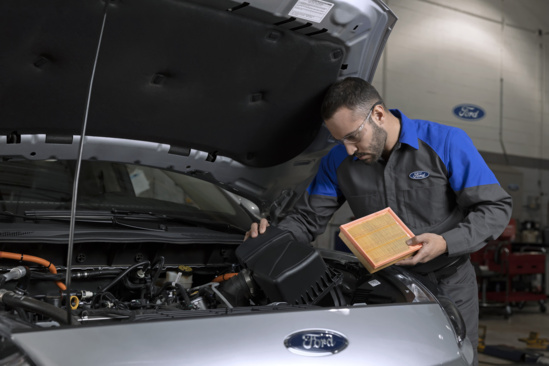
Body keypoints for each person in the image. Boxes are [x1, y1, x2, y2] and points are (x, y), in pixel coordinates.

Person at [245, 77, 512, 365]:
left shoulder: (446, 142)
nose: (348, 149)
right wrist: (271, 238)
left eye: (352, 136)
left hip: (449, 282)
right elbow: (308, 218)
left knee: (454, 359)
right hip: (385, 285)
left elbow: (495, 207)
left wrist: (446, 242)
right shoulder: (337, 161)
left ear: (379, 115)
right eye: (339, 140)